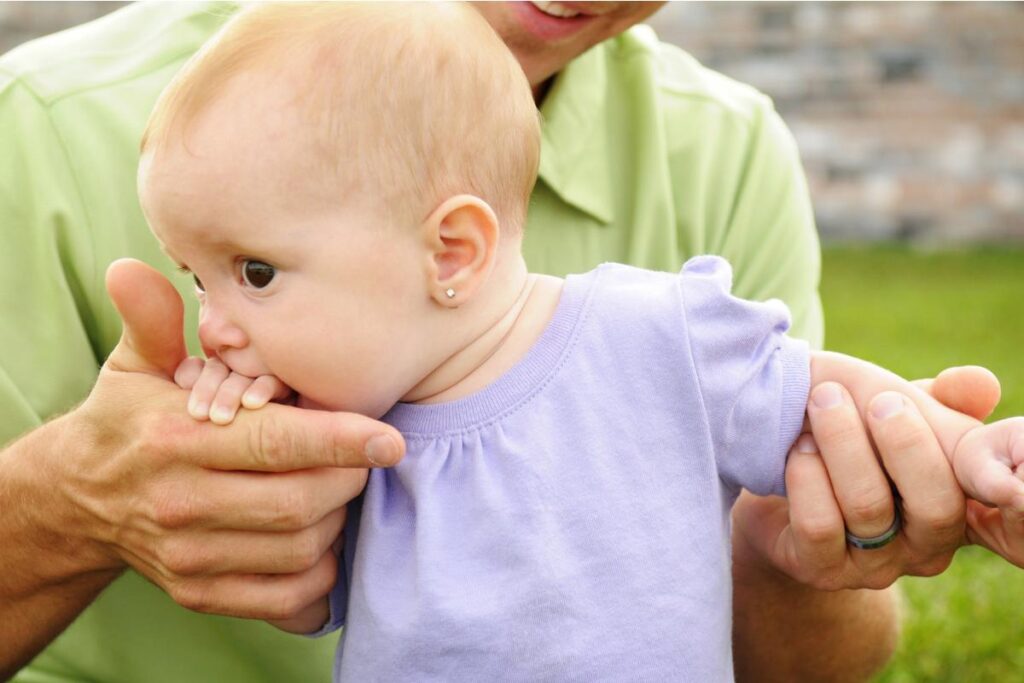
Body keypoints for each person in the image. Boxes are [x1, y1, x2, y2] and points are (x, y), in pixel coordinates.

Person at [0, 1, 1007, 681]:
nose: (215, 322)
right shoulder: (357, 431)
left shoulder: (657, 323)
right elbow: (311, 596)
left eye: (251, 275)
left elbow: (825, 397)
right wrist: (91, 496)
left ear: (454, 248)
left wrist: (970, 457)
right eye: (195, 278)